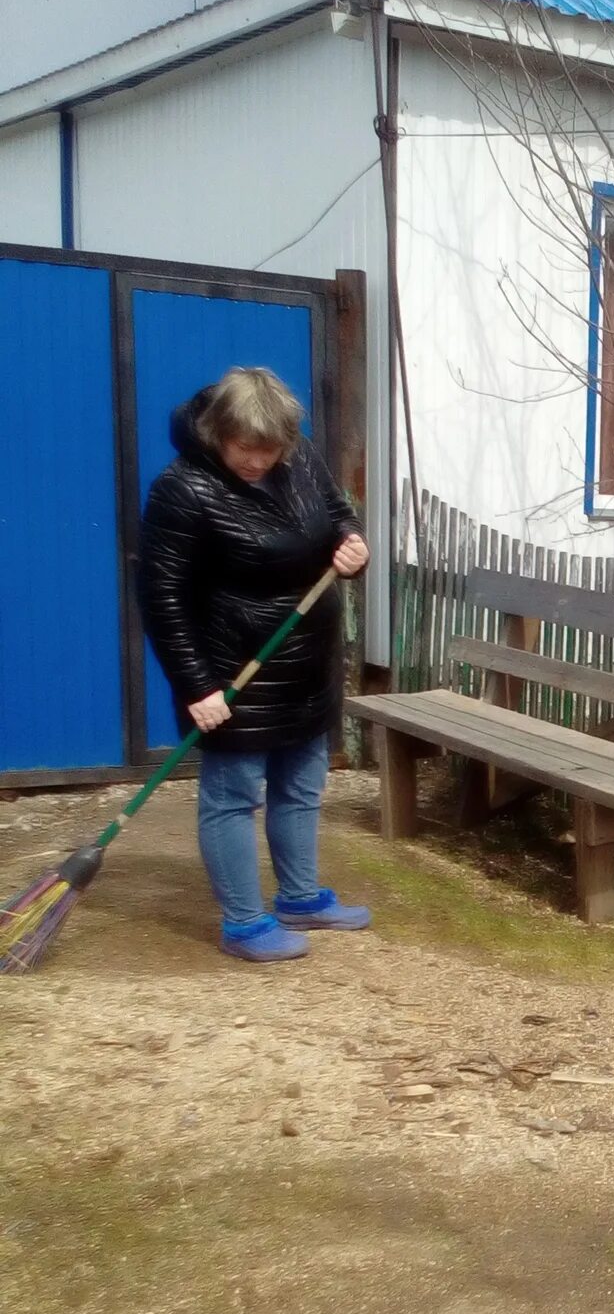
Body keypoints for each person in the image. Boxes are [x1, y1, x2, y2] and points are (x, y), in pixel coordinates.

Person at [138, 366, 372, 963]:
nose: (260, 461)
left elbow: (333, 510)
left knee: (301, 784)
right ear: (219, 431)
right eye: (247, 448)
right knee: (234, 795)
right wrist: (195, 684)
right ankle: (243, 921)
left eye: (272, 449)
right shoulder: (183, 488)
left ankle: (300, 897)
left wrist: (351, 544)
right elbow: (161, 594)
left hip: (307, 665)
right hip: (233, 671)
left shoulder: (300, 457)